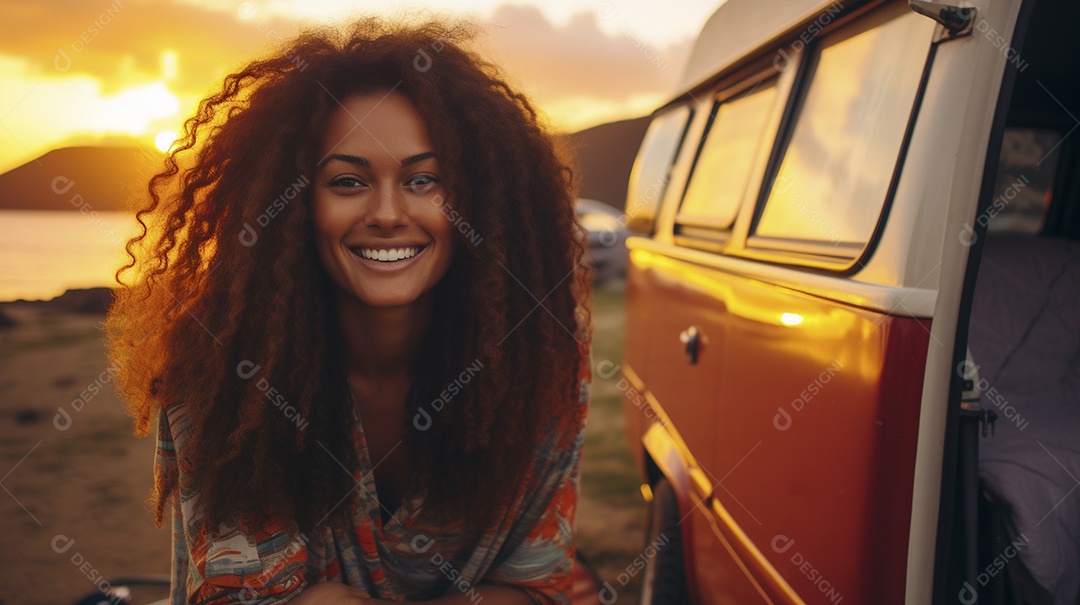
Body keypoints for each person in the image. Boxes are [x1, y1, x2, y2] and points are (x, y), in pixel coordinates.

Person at [105, 17, 591, 605]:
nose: (388, 212)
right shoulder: (219, 364)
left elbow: (537, 578)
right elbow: (248, 595)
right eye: (347, 181)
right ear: (295, 205)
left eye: (424, 179)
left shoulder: (542, 352)